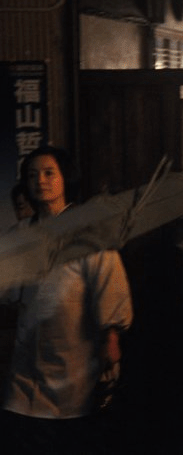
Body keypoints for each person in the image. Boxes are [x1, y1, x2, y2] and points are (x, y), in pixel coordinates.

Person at [0, 145, 134, 454]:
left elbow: (110, 286)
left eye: (49, 173)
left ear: (65, 178)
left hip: (74, 354)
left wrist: (111, 338)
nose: (41, 181)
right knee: (25, 427)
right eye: (33, 175)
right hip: (28, 353)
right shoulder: (21, 234)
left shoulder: (88, 231)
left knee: (68, 431)